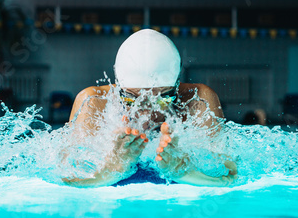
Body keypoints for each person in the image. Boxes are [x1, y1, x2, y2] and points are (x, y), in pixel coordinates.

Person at [61, 29, 237, 187]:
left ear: (177, 85)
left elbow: (231, 173)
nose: (147, 115)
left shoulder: (197, 100)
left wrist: (187, 173)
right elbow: (67, 176)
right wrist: (112, 168)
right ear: (118, 86)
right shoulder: (94, 102)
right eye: (131, 100)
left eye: (161, 100)